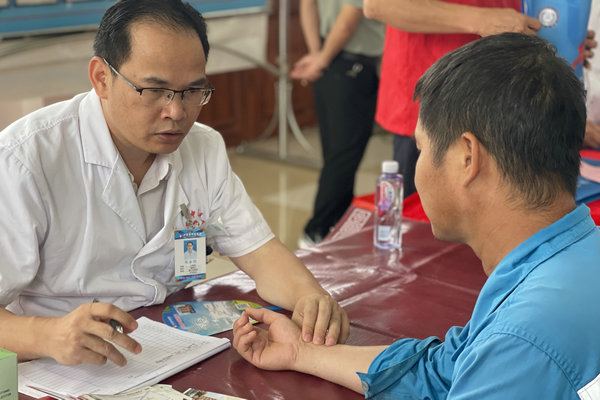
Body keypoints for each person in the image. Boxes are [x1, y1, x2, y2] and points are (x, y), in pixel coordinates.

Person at [233, 33, 600, 398]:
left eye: (421, 147)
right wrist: (301, 352)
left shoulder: (520, 340)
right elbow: (446, 370)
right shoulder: (569, 258)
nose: (418, 167)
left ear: (467, 158)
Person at [0, 0, 349, 368]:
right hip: (56, 364)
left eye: (193, 91)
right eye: (155, 90)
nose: (177, 112)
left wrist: (311, 298)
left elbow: (260, 253)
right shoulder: (26, 160)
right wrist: (48, 335)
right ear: (102, 78)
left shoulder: (202, 147)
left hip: (168, 346)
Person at [362, 0, 541, 197]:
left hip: (507, 100)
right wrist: (482, 19)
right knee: (421, 211)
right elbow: (379, 5)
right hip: (432, 100)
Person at [291, 0, 384, 246]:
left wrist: (317, 54)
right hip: (350, 63)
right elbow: (348, 21)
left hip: (329, 58)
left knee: (336, 152)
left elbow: (307, 4)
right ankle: (317, 229)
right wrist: (321, 60)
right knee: (344, 153)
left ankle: (336, 223)